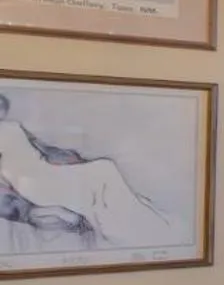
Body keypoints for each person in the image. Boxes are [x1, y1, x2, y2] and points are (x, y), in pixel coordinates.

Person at [0, 93, 173, 247]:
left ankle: (139, 224)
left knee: (105, 167)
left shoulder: (12, 126)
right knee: (102, 173)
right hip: (33, 180)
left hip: (45, 169)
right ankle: (121, 229)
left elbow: (42, 148)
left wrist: (70, 158)